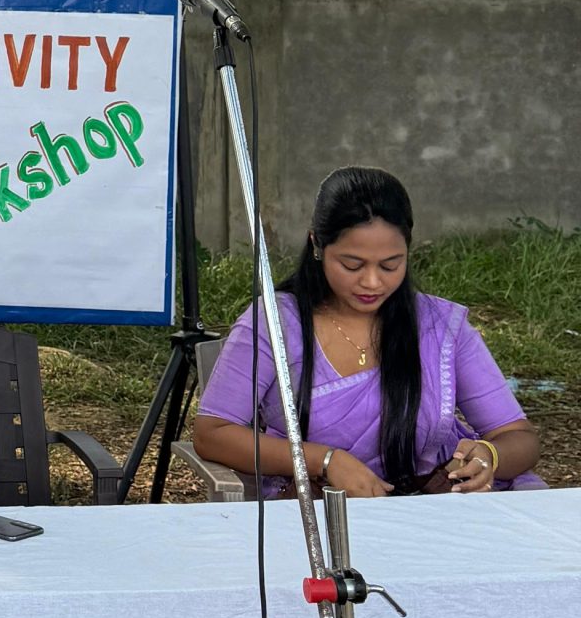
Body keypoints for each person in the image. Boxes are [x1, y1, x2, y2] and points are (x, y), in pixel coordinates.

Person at [194, 165, 542, 498]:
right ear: (316, 245)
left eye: (391, 265)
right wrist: (324, 460)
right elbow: (213, 434)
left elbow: (518, 436)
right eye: (352, 264)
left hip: (433, 504)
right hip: (318, 515)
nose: (373, 282)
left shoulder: (439, 325)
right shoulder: (275, 324)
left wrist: (489, 457)